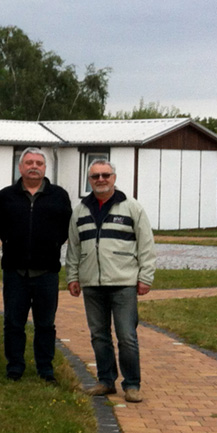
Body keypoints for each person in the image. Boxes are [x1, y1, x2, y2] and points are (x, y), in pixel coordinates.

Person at [67, 159, 155, 403]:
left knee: (127, 336)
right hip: (92, 284)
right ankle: (106, 382)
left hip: (123, 282)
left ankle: (132, 385)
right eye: (95, 176)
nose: (101, 180)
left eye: (105, 175)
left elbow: (146, 245)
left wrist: (145, 276)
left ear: (114, 178)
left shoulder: (131, 207)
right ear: (89, 180)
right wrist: (72, 276)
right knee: (99, 335)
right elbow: (74, 247)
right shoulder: (80, 210)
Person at [0, 147, 72, 382]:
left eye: (39, 163)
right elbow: (0, 226)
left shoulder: (59, 196)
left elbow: (65, 228)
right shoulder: (6, 196)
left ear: (45, 168)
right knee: (13, 323)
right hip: (15, 271)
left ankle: (45, 368)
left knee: (45, 324)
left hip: (46, 272)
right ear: (20, 167)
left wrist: (51, 244)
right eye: (29, 163)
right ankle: (15, 367)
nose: (34, 167)